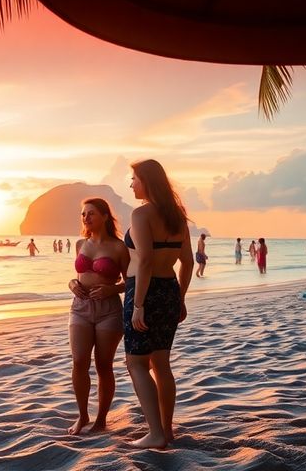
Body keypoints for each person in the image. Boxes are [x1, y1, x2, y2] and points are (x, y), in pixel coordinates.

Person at [123, 159, 194, 449]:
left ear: (147, 181)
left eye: (134, 178)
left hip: (145, 291)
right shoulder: (177, 215)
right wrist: (181, 298)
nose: (131, 184)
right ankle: (166, 429)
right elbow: (187, 261)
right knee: (161, 363)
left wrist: (138, 304)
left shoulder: (140, 214)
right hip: (169, 290)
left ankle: (154, 434)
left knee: (136, 363)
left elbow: (145, 260)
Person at [66, 198, 130, 435]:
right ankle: (82, 416)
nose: (86, 218)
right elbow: (78, 275)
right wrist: (71, 282)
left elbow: (130, 281)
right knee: (79, 361)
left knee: (104, 365)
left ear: (104, 216)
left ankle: (101, 419)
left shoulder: (118, 247)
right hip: (80, 308)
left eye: (91, 213)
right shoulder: (80, 243)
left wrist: (112, 289)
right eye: (83, 214)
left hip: (109, 311)